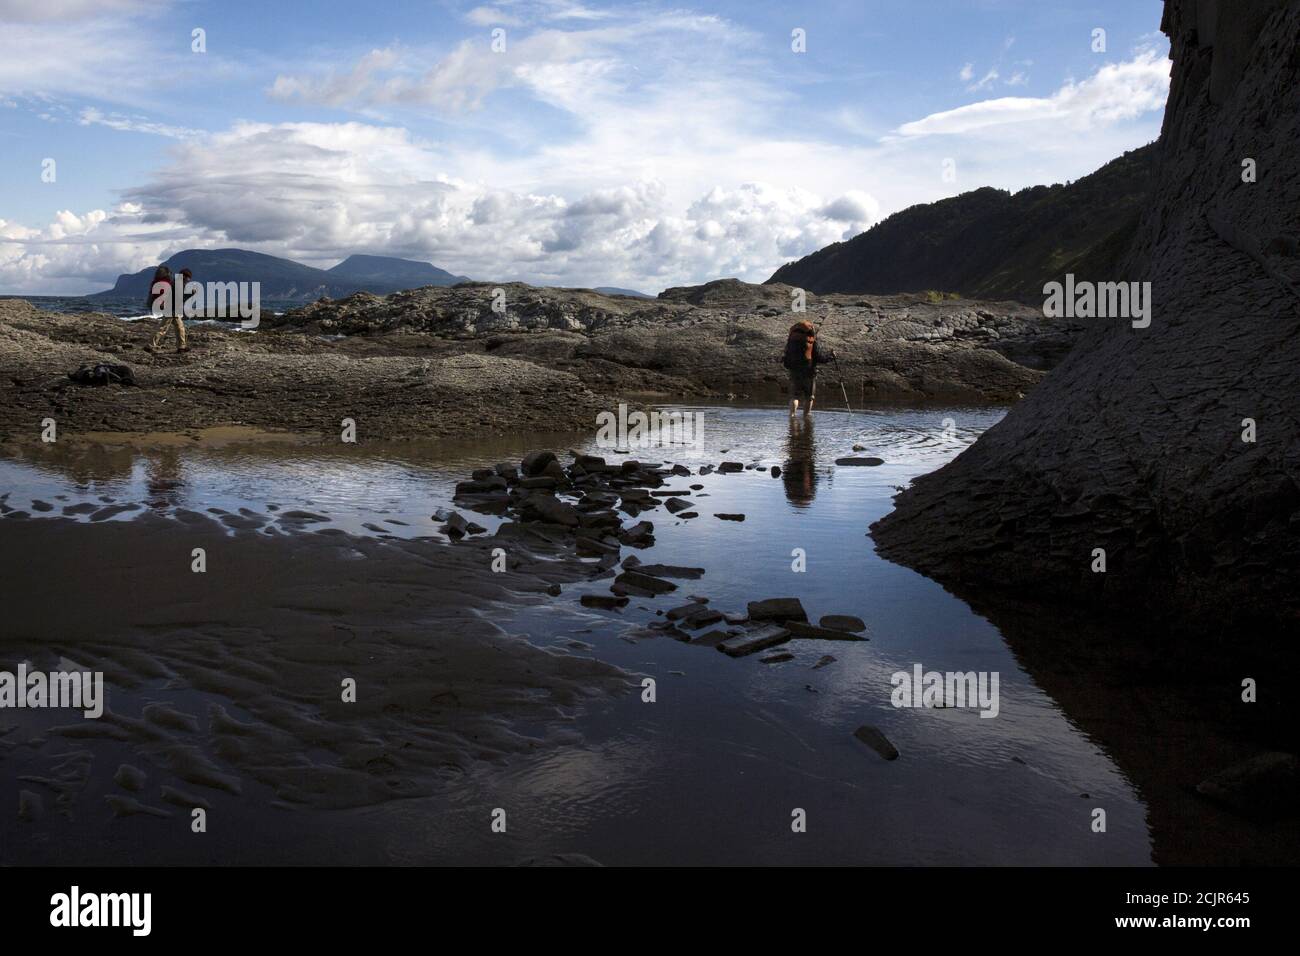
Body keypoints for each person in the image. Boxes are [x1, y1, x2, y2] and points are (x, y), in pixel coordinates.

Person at [781, 319, 834, 416]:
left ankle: (792, 416)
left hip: (794, 370)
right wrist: (830, 356)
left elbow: (786, 354)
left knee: (794, 396)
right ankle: (807, 415)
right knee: (809, 396)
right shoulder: (811, 340)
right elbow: (819, 357)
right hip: (809, 372)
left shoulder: (792, 340)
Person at [147, 265, 191, 353]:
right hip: (171, 309)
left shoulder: (176, 282)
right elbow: (180, 298)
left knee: (180, 328)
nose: (189, 279)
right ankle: (150, 345)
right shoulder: (178, 284)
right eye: (188, 277)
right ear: (185, 277)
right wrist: (191, 294)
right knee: (162, 328)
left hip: (173, 309)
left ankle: (181, 347)